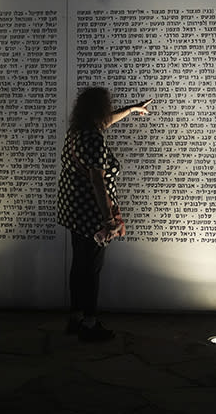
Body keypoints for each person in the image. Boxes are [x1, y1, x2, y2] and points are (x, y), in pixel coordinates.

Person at [57, 87, 152, 341]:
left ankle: (76, 318)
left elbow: (107, 121)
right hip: (92, 214)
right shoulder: (94, 139)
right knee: (92, 268)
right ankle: (90, 323)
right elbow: (98, 183)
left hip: (73, 210)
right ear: (99, 109)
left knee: (78, 266)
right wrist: (109, 220)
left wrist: (131, 109)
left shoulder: (77, 132)